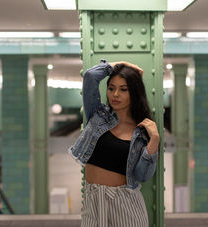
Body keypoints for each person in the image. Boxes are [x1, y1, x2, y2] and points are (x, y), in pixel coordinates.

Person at [68, 59, 160, 227]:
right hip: (93, 200)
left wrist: (154, 141)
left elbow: (142, 176)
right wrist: (120, 64)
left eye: (123, 90)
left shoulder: (141, 133)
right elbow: (90, 76)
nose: (115, 94)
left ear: (134, 93)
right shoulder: (98, 115)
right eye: (111, 88)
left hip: (124, 204)